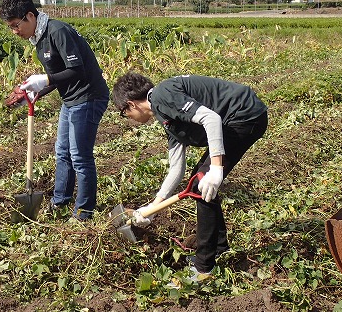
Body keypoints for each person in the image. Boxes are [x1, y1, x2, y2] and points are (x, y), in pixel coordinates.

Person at [112, 72, 268, 282]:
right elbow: (176, 168)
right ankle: (219, 247)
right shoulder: (164, 112)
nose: (128, 118)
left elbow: (211, 118)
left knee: (200, 186)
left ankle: (204, 267)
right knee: (198, 181)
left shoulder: (163, 96)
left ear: (131, 104)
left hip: (244, 115)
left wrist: (216, 169)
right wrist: (152, 207)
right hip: (236, 119)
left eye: (124, 113)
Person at [0, 0, 109, 221]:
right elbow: (58, 77)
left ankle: (84, 211)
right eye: (10, 27)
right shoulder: (39, 39)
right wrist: (33, 92)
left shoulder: (57, 31)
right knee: (62, 152)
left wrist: (46, 81)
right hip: (71, 98)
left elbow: (76, 69)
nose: (14, 31)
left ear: (30, 16)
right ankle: (60, 201)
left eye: (16, 25)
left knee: (80, 156)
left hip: (89, 97)